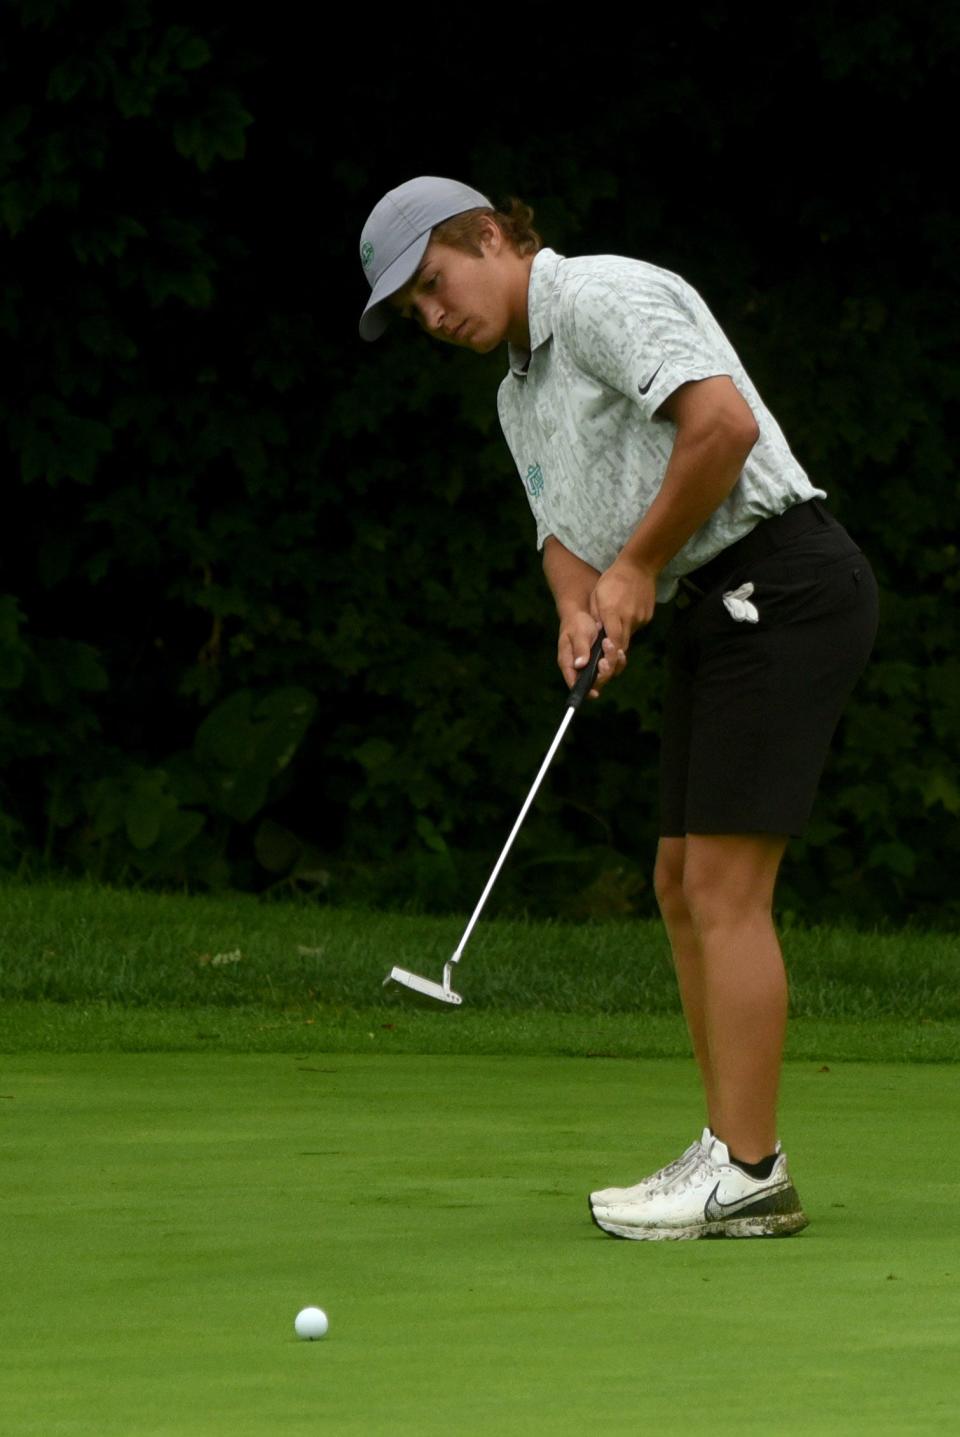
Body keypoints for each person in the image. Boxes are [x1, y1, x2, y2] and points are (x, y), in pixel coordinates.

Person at [357, 176, 879, 1241]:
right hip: (716, 605)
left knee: (726, 885)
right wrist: (575, 605)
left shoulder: (597, 296)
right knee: (680, 878)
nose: (434, 314)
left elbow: (722, 426)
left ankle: (749, 1170)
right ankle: (729, 1146)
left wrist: (635, 566)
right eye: (414, 309)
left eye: (433, 283)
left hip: (780, 583)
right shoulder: (516, 391)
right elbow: (561, 524)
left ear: (491, 237)